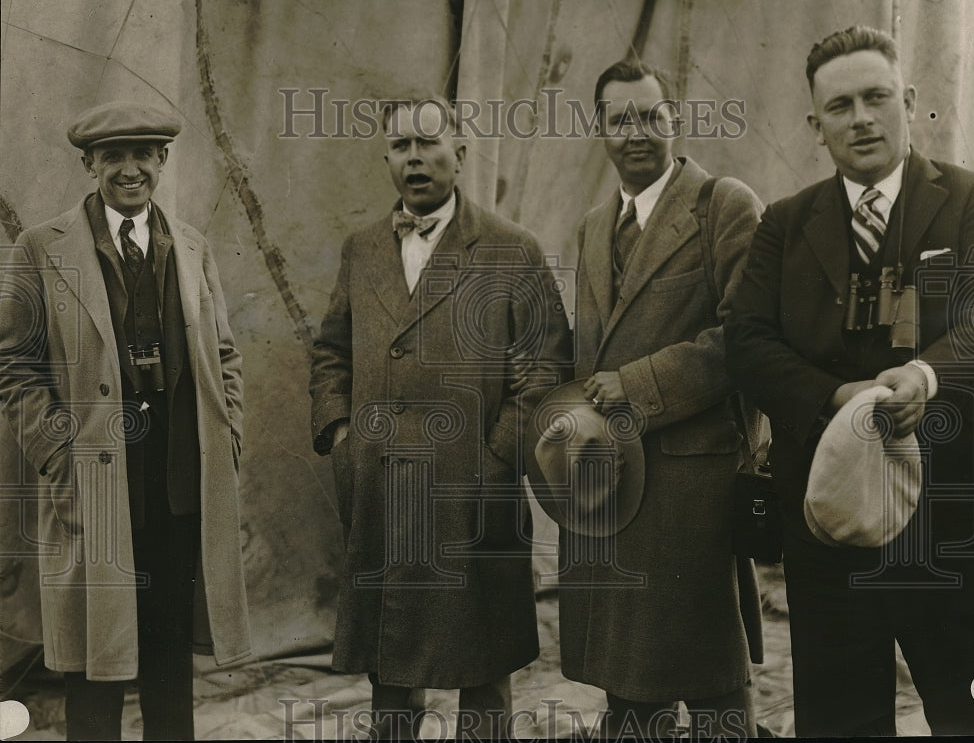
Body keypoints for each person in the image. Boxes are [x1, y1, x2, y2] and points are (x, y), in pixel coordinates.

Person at [725, 25, 974, 736]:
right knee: (842, 720)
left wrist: (925, 376)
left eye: (876, 97)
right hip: (829, 528)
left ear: (908, 101)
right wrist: (836, 399)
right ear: (816, 126)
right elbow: (748, 342)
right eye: (840, 106)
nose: (862, 118)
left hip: (954, 526)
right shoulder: (785, 225)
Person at [309, 96, 571, 739]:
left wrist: (496, 455)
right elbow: (331, 350)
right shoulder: (362, 248)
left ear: (461, 151)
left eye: (429, 143)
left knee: (483, 664)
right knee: (390, 663)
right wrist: (342, 435)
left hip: (471, 492)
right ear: (386, 158)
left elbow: (546, 365)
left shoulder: (512, 249)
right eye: (400, 146)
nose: (415, 158)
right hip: (382, 488)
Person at [0, 101, 251, 740]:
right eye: (114, 156)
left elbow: (223, 354)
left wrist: (229, 439)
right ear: (90, 164)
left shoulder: (190, 244)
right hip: (94, 479)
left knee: (168, 652)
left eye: (143, 153)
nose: (129, 168)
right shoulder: (42, 247)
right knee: (96, 659)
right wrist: (59, 456)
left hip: (177, 476)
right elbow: (16, 367)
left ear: (162, 161)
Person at [557, 59, 764, 739]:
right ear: (600, 129)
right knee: (630, 685)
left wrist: (638, 386)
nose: (637, 132)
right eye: (620, 119)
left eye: (651, 115)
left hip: (691, 489)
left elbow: (748, 338)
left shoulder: (723, 206)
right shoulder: (591, 229)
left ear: (676, 120)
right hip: (611, 492)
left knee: (712, 688)